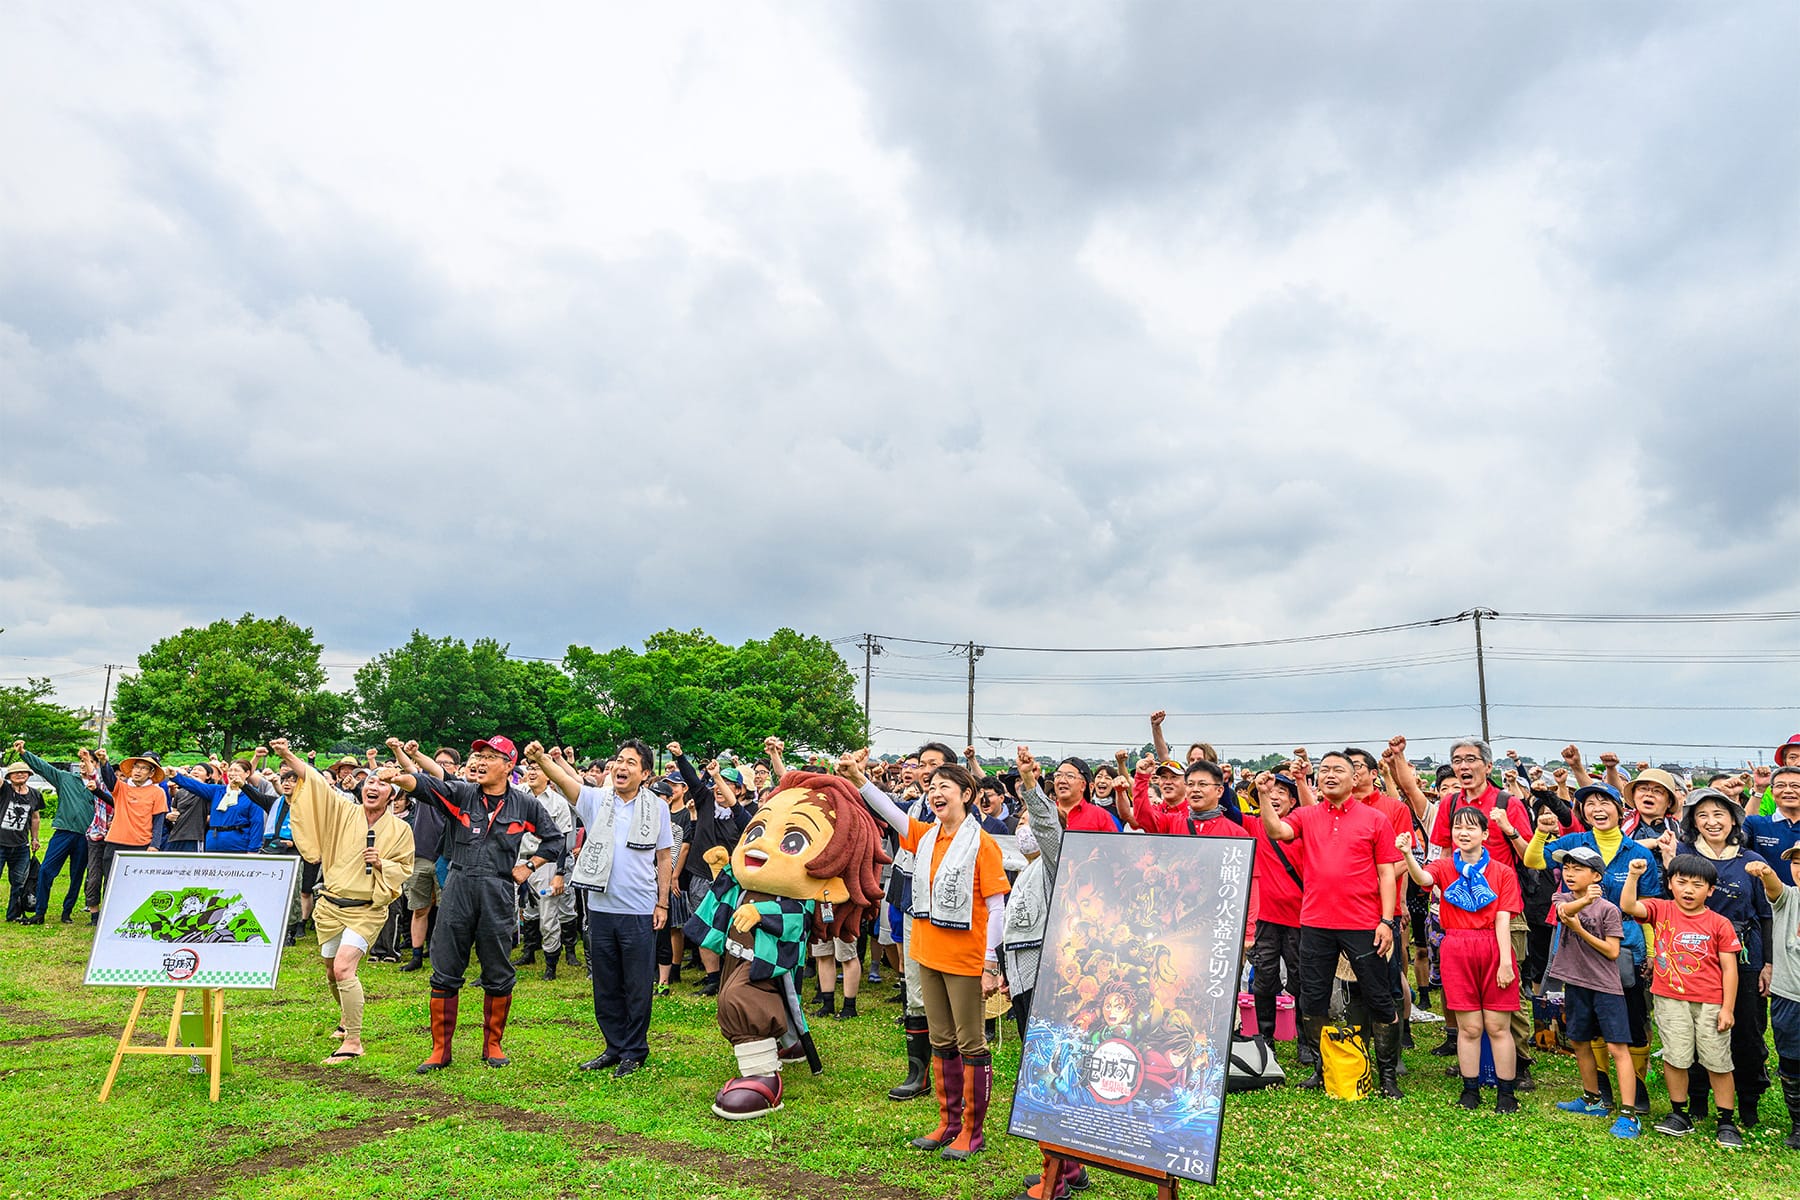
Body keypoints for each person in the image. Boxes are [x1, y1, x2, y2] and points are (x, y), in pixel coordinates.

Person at [848, 750, 1009, 1161]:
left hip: (967, 959)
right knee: (940, 1040)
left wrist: (991, 962)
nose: (936, 793)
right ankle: (948, 1122)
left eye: (945, 788)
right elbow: (888, 808)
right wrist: (858, 776)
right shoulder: (925, 835)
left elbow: (996, 908)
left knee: (970, 1042)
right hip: (926, 952)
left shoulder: (982, 844)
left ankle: (972, 1131)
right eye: (932, 787)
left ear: (967, 795)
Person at [381, 734, 566, 1074]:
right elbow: (422, 785)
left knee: (497, 969)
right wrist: (399, 777)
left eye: (489, 757)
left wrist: (529, 866)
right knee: (446, 968)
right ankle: (440, 1051)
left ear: (509, 766)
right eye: (477, 755)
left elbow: (556, 840)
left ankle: (492, 1044)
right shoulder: (462, 792)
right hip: (458, 884)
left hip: (497, 889)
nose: (479, 761)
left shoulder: (524, 805)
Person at [1260, 750, 1406, 1098]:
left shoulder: (1374, 819)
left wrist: (1386, 920)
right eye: (1323, 770)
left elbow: (1388, 872)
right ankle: (1321, 1068)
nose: (1329, 775)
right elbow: (1277, 830)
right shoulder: (1306, 815)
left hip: (1364, 923)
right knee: (1313, 1000)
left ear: (1355, 777)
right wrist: (1265, 796)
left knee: (1379, 998)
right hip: (1315, 922)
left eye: (1338, 770)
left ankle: (1387, 1075)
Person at [268, 740, 414, 1063]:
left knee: (344, 966)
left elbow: (404, 868)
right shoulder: (343, 812)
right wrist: (288, 756)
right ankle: (346, 1016)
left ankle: (354, 1040)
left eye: (381, 783)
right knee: (332, 973)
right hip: (331, 905)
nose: (373, 787)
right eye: (369, 782)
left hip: (367, 909)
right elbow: (317, 784)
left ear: (394, 795)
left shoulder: (401, 830)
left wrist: (381, 865)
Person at [1525, 781, 1662, 1115]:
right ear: (1582, 812)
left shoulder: (1639, 853)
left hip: (1624, 945)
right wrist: (1542, 832)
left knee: (1630, 1020)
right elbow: (1532, 859)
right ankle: (1599, 1091)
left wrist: (1653, 953)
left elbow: (1649, 908)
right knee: (1586, 1021)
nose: (1597, 809)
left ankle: (1637, 1092)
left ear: (1620, 810)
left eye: (1605, 802)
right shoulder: (1573, 843)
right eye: (1589, 804)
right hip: (1576, 947)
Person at [537, 738, 671, 1078]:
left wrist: (662, 902)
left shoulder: (657, 808)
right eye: (618, 761)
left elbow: (664, 857)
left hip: (640, 909)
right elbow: (567, 783)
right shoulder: (598, 800)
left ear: (644, 773)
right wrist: (540, 758)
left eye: (630, 763)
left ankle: (635, 1050)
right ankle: (614, 1046)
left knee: (638, 984)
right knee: (606, 983)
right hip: (600, 907)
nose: (621, 767)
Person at [1658, 788, 1774, 1129]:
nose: (1712, 822)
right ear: (1692, 822)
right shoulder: (1683, 858)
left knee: (1748, 1031)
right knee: (1693, 1029)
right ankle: (1695, 1102)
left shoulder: (1752, 860)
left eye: (1719, 814)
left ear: (1733, 820)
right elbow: (1669, 906)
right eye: (1702, 815)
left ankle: (1748, 1103)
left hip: (1745, 953)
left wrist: (1767, 963)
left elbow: (1766, 915)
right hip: (1692, 958)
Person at [1398, 808, 1523, 1112]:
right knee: (1469, 1028)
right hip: (1456, 946)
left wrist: (1506, 961)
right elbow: (1423, 878)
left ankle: (1506, 1094)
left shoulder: (1502, 872)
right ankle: (1470, 1089)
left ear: (1485, 834)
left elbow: (1503, 918)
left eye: (1470, 828)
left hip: (1493, 946)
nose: (1463, 833)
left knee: (1497, 1026)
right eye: (1457, 828)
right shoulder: (1444, 867)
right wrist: (1407, 854)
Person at [1619, 854, 1744, 1147]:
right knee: (1676, 1057)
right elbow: (1628, 905)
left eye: (1697, 885)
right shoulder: (1660, 909)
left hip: (1712, 1003)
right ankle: (1679, 1114)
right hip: (1670, 999)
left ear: (1710, 890)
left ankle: (1726, 1120)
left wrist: (1727, 1008)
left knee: (1718, 1061)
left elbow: (1730, 969)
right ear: (1670, 884)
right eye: (1682, 882)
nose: (1688, 890)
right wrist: (1633, 876)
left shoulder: (1720, 923)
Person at [1546, 845, 1640, 1138]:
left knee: (1617, 1048)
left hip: (1605, 987)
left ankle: (1629, 1113)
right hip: (1575, 982)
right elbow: (1564, 912)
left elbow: (1612, 951)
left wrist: (1582, 930)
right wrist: (1583, 901)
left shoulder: (1609, 909)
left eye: (1578, 869)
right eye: (1568, 868)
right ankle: (1592, 1098)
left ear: (1596, 875)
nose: (1570, 874)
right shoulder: (1562, 897)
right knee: (1578, 1040)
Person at [1247, 772, 1307, 1057]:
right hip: (1265, 919)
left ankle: (1305, 1041)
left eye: (1282, 791)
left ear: (1293, 800)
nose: (1274, 794)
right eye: (1270, 790)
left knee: (1302, 980)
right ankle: (1265, 1038)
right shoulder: (1253, 825)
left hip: (1300, 919)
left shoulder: (1303, 829)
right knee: (1264, 979)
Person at [1743, 849, 1800, 1150]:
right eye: (1796, 862)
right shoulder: (1789, 898)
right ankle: (1798, 1125)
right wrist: (1765, 872)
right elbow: (1773, 887)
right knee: (1791, 1061)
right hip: (1789, 993)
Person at [11, 743, 101, 924]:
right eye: (82, 761)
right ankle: (39, 912)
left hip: (85, 837)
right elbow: (43, 767)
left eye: (90, 761)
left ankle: (67, 912)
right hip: (63, 833)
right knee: (45, 871)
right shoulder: (65, 778)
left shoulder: (100, 786)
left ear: (96, 765)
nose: (84, 764)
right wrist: (23, 753)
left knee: (77, 875)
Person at [513, 751, 578, 981]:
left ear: (548, 775)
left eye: (537, 768)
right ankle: (528, 952)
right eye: (529, 767)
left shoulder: (558, 803)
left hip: (545, 862)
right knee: (526, 912)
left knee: (548, 915)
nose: (532, 771)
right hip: (518, 861)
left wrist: (559, 874)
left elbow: (561, 841)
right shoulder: (517, 794)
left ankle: (551, 965)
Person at [0, 759, 44, 922]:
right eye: (15, 772)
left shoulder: (35, 794)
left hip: (21, 846)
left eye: (23, 772)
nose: (20, 774)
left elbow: (35, 818)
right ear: (9, 776)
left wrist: (35, 838)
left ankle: (13, 915)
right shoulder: (4, 789)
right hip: (1, 843)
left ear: (29, 775)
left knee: (19, 883)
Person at [1745, 765, 1800, 887]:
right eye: (1780, 786)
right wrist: (1759, 789)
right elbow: (1733, 836)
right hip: (1765, 902)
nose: (1788, 790)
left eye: (1795, 786)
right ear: (1772, 792)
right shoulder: (1755, 823)